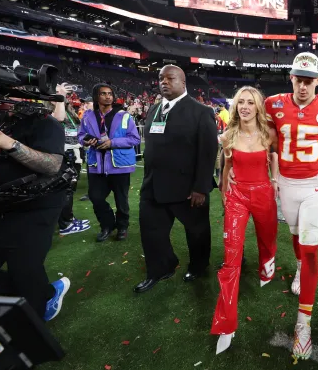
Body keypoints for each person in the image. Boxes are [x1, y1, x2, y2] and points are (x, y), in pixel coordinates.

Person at [229, 52, 318, 359]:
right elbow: (264, 142)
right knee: (296, 239)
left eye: (310, 80)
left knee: (310, 249)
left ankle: (303, 324)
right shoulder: (274, 104)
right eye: (299, 79)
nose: (304, 86)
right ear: (291, 78)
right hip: (287, 184)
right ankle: (298, 268)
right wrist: (233, 165)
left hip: (314, 185)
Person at [0, 95, 71, 321]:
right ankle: (41, 295)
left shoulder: (44, 122)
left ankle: (36, 312)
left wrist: (7, 143)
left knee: (23, 269)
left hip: (37, 206)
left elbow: (52, 165)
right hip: (0, 206)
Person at [134, 65, 218, 294]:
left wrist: (201, 187)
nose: (164, 82)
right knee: (151, 232)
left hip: (188, 189)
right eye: (161, 78)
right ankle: (161, 267)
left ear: (183, 83)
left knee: (197, 231)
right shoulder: (153, 110)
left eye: (170, 78)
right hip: (153, 185)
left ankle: (199, 266)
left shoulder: (201, 111)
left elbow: (208, 152)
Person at [212, 87, 279, 354]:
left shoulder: (268, 133)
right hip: (237, 196)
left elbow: (273, 155)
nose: (245, 107)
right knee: (231, 259)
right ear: (236, 105)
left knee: (268, 240)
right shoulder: (228, 135)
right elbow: (227, 166)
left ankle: (267, 266)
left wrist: (274, 180)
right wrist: (224, 192)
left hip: (263, 194)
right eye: (241, 102)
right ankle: (226, 324)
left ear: (258, 107)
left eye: (251, 103)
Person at [78, 84, 140, 242]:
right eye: (103, 94)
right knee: (95, 197)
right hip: (96, 164)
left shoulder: (124, 115)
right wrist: (86, 141)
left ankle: (122, 227)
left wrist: (113, 143)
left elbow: (134, 138)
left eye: (110, 94)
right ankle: (107, 225)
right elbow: (81, 135)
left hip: (119, 164)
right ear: (96, 97)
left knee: (121, 200)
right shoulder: (87, 116)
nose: (108, 96)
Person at [52, 83, 89, 235]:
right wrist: (59, 96)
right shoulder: (52, 109)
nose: (65, 97)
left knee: (70, 188)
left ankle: (69, 218)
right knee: (66, 188)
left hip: (75, 151)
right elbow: (58, 119)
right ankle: (65, 223)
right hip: (65, 152)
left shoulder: (69, 110)